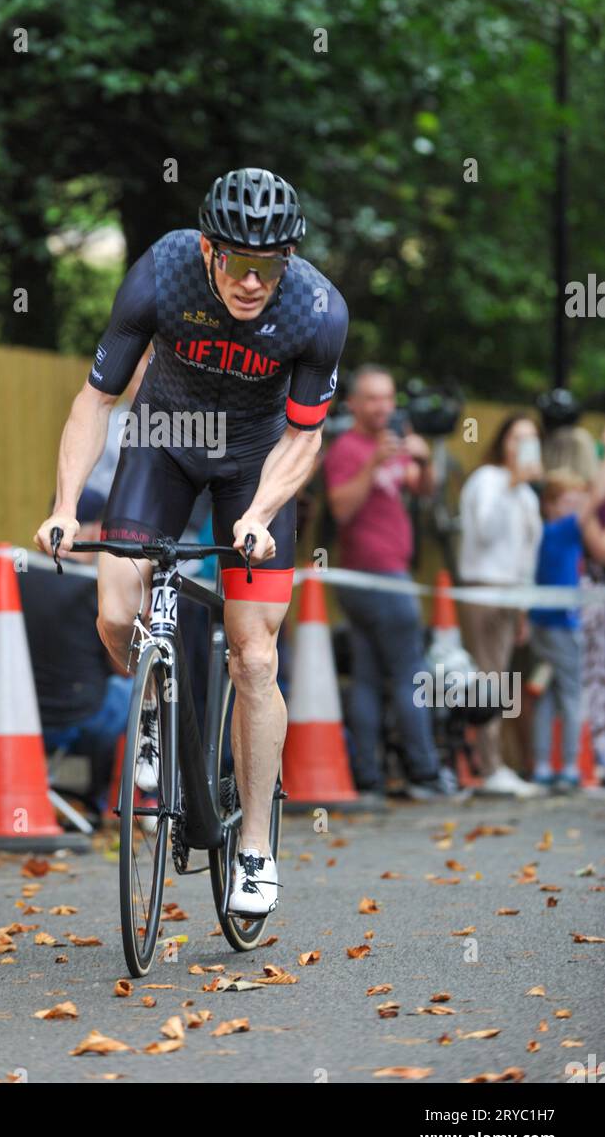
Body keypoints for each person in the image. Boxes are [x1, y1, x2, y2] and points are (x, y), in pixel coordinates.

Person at [36, 167, 348, 916]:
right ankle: (151, 706)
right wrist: (63, 505)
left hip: (256, 460)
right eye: (237, 263)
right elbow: (96, 400)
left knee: (256, 656)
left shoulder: (314, 309)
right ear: (207, 250)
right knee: (115, 611)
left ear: (289, 259)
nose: (250, 282)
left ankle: (255, 849)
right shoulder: (161, 275)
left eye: (267, 266)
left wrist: (259, 511)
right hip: (165, 439)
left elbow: (307, 439)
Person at [322, 365, 454, 804]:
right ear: (354, 404)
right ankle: (424, 772)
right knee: (410, 673)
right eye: (374, 398)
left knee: (368, 677)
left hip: (385, 573)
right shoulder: (346, 448)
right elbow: (340, 508)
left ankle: (369, 779)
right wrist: (373, 463)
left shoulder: (394, 442)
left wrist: (422, 458)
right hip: (375, 575)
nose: (384, 406)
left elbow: (424, 491)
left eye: (389, 397)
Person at [18, 491, 129, 816]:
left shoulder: (15, 574)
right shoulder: (96, 586)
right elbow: (122, 666)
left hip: (22, 719)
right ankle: (108, 800)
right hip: (81, 720)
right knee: (136, 689)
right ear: (95, 533)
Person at [457, 412, 544, 797]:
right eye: (516, 439)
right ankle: (490, 765)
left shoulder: (527, 495)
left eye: (530, 440)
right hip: (484, 588)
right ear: (502, 442)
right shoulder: (488, 480)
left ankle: (495, 762)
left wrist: (524, 605)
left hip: (511, 595)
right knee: (491, 680)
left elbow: (528, 555)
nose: (522, 447)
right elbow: (483, 532)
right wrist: (511, 481)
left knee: (501, 677)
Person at [529, 466, 605, 791]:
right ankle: (572, 765)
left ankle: (544, 765)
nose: (577, 510)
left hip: (542, 624)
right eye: (568, 503)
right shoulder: (558, 532)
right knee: (573, 697)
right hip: (561, 624)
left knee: (546, 696)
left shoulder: (550, 533)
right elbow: (597, 499)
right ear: (549, 505)